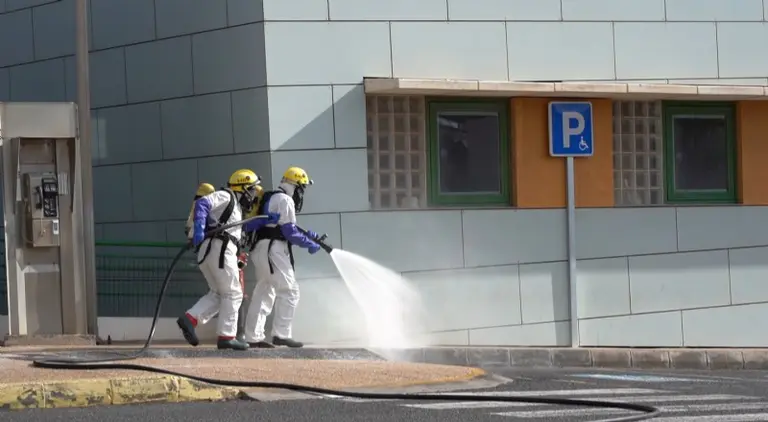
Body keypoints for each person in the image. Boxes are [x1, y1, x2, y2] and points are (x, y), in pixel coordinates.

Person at [177, 169, 279, 350]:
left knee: (218, 294)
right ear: (244, 188)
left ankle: (190, 318)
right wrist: (199, 227)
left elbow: (238, 227)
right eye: (253, 190)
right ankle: (226, 336)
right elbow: (202, 203)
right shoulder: (226, 196)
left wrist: (262, 221)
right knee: (233, 293)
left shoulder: (235, 208)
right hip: (220, 251)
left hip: (211, 252)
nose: (254, 195)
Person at [243, 166, 322, 348]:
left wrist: (306, 236)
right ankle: (282, 334)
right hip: (274, 250)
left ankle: (252, 336)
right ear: (295, 185)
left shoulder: (272, 196)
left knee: (264, 291)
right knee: (290, 291)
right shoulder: (286, 200)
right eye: (302, 188)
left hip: (262, 248)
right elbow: (289, 231)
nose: (302, 193)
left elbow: (282, 227)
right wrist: (308, 243)